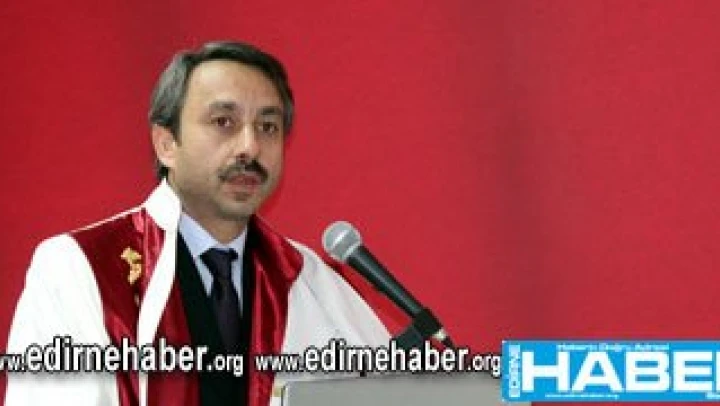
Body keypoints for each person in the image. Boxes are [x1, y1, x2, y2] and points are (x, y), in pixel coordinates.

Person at [5, 41, 393, 406]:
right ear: (166, 144)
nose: (250, 147)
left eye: (268, 127)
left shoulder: (305, 279)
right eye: (224, 122)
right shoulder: (80, 268)